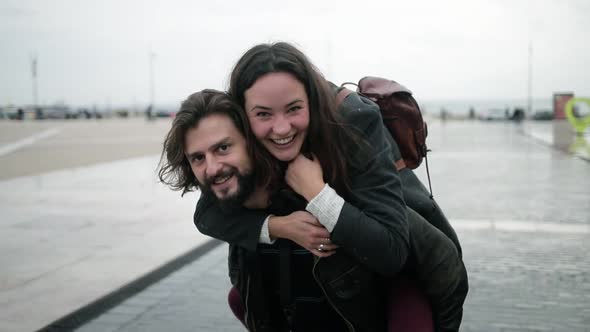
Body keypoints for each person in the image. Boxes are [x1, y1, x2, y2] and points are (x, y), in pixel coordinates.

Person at [161, 42, 468, 331]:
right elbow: (207, 214)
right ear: (244, 116)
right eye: (263, 114)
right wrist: (280, 226)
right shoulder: (241, 142)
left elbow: (398, 253)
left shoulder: (353, 123)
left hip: (413, 276)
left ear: (311, 101)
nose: (281, 128)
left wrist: (317, 194)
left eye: (294, 109)